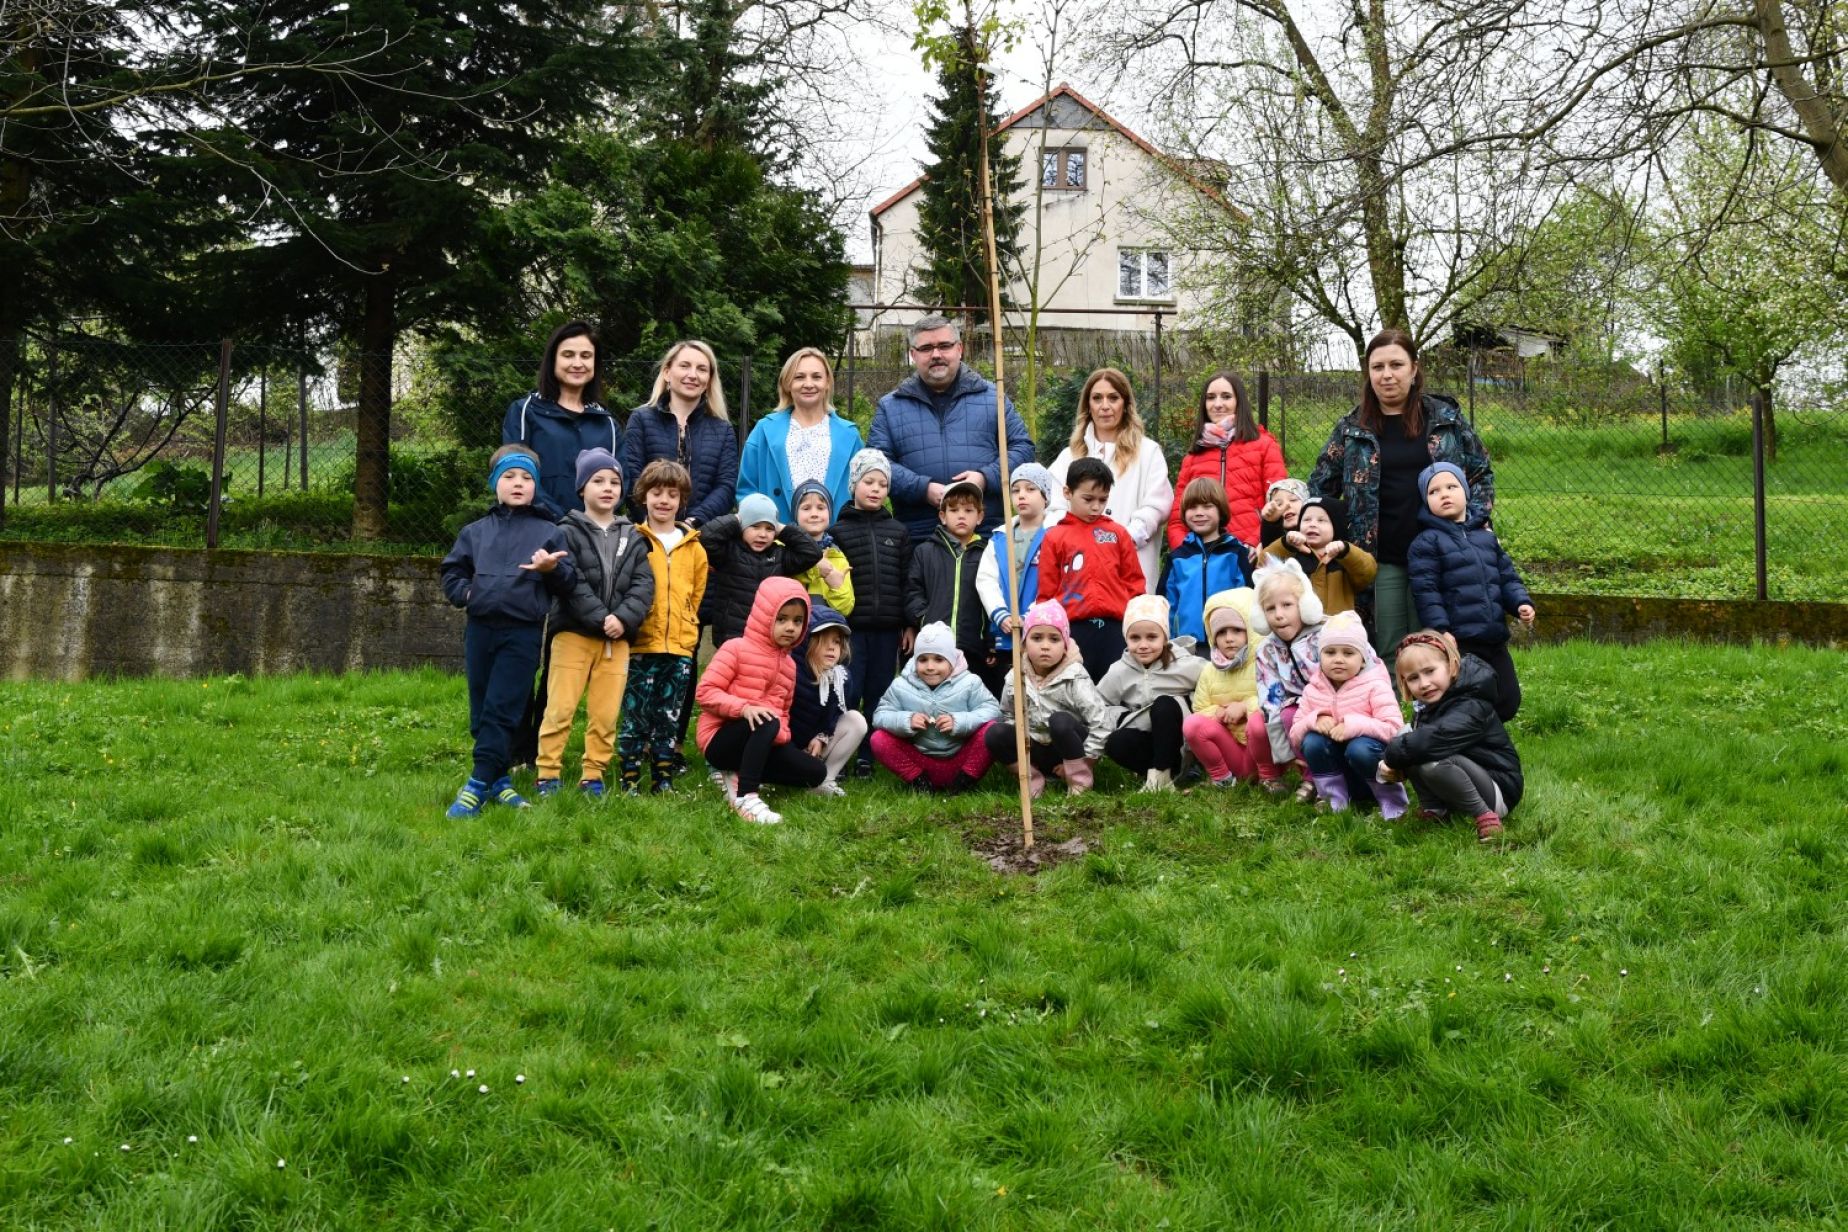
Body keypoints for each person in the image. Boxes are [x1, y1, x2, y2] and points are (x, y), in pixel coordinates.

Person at [1308, 329, 1494, 667]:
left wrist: (1473, 524)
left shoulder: (1446, 421)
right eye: (1377, 367)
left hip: (1443, 553)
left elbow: (1480, 475)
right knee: (1388, 651)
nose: (1387, 374)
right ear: (1368, 372)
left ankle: (1443, 718)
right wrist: (1323, 534)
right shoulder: (1352, 427)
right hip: (1381, 559)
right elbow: (1321, 486)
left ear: (1414, 369)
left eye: (1396, 364)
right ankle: (1392, 719)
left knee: (1440, 646)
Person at [440, 446, 576, 817]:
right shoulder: (475, 532)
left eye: (527, 477)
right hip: (480, 630)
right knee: (481, 708)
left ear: (536, 486)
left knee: (504, 707)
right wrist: (467, 594)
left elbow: (569, 581)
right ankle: (499, 781)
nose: (518, 484)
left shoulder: (550, 532)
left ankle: (477, 783)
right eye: (509, 476)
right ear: (494, 484)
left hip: (523, 633)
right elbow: (452, 571)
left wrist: (551, 570)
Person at [535, 449, 655, 798]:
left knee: (605, 715)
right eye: (598, 481)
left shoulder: (633, 535)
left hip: (617, 641)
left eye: (615, 482)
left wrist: (624, 619)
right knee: (560, 708)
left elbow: (643, 585)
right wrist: (603, 618)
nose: (607, 488)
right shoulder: (565, 532)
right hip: (573, 634)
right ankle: (547, 773)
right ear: (581, 489)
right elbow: (570, 583)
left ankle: (593, 775)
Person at [869, 314, 1036, 539]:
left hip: (985, 534)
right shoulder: (891, 406)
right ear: (913, 354)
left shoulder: (993, 398)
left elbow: (1023, 449)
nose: (936, 354)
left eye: (944, 346)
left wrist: (984, 478)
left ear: (960, 349)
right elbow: (877, 463)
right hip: (918, 536)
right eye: (926, 348)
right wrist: (922, 489)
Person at [1406, 462, 1535, 720]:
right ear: (1425, 501)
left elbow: (1506, 577)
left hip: (1494, 636)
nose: (1444, 494)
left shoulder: (1486, 537)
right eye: (1434, 491)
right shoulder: (1426, 542)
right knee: (1462, 700)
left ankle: (1480, 735)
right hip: (1459, 641)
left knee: (1507, 699)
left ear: (1465, 492)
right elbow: (1426, 591)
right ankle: (1437, 734)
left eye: (1452, 486)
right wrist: (1441, 630)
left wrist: (1520, 602)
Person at [695, 579, 827, 824]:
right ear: (765, 617)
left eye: (798, 621)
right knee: (767, 719)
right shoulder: (735, 648)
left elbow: (784, 713)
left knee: (816, 772)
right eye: (782, 619)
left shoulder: (789, 665)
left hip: (763, 736)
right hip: (720, 738)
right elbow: (705, 692)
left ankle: (740, 773)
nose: (790, 627)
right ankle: (746, 795)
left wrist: (781, 739)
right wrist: (744, 709)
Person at [1381, 630, 1523, 841]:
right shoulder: (1430, 704)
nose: (1424, 683)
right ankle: (1434, 809)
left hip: (1498, 791)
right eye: (1413, 678)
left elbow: (1434, 740)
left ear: (1451, 664)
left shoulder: (1472, 703)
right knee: (1408, 736)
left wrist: (1391, 756)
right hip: (1466, 776)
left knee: (1423, 753)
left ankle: (1485, 816)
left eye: (1430, 671)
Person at [619, 460, 709, 795]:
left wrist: (688, 623)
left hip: (679, 647)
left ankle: (663, 777)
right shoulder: (633, 540)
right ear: (644, 496)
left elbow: (696, 592)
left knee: (668, 716)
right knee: (635, 714)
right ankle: (629, 775)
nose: (664, 501)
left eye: (672, 494)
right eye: (656, 493)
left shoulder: (694, 546)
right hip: (642, 644)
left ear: (681, 500)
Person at [1047, 368, 1171, 591]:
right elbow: (1054, 511)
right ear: (1088, 405)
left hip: (1130, 571)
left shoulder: (1148, 452)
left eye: (1113, 398)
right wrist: (1081, 543)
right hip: (1078, 577)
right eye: (1097, 398)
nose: (1105, 406)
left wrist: (1120, 542)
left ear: (1125, 404)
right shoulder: (1069, 456)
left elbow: (1156, 507)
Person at [829, 449, 912, 778]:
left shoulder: (898, 531)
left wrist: (907, 622)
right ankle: (842, 753)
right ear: (854, 485)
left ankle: (870, 755)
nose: (875, 489)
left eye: (882, 483)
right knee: (848, 691)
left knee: (880, 691)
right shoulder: (838, 532)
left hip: (888, 629)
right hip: (851, 629)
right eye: (868, 481)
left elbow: (907, 580)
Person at [1290, 611, 1409, 817]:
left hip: (1372, 771)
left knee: (1359, 747)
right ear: (1320, 657)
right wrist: (1314, 720)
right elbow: (1294, 736)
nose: (1338, 659)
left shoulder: (1375, 685)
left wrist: (1353, 726)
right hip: (1340, 773)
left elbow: (1394, 730)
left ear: (1362, 659)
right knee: (1312, 741)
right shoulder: (1313, 688)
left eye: (1348, 653)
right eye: (1330, 652)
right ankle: (1333, 800)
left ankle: (1392, 803)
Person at [1036, 457, 1145, 683]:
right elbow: (1046, 593)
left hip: (1116, 630)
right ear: (1067, 492)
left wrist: (1138, 622)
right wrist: (1047, 631)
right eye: (1088, 499)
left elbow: (1135, 584)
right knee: (1076, 692)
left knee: (1115, 692)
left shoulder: (1118, 534)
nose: (1096, 507)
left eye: (1102, 500)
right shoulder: (1054, 537)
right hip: (1073, 630)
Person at [983, 600, 1107, 798]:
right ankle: (1031, 778)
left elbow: (1101, 723)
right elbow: (1008, 713)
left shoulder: (1075, 676)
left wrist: (1088, 761)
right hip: (1036, 749)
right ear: (1024, 643)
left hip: (1070, 748)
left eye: (1054, 639)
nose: (1045, 646)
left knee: (1060, 721)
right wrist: (1024, 749)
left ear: (1065, 645)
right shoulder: (1016, 676)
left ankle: (1078, 780)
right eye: (1037, 638)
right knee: (995, 733)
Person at [501, 321, 623, 520]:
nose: (577, 363)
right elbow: (517, 473)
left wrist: (585, 524)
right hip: (537, 528)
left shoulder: (607, 425)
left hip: (591, 535)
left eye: (586, 356)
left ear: (595, 363)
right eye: (568, 355)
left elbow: (620, 482)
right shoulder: (524, 412)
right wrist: (562, 522)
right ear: (553, 360)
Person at [736, 347, 865, 522]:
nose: (809, 384)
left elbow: (862, 493)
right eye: (799, 377)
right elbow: (747, 490)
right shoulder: (764, 430)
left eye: (816, 377)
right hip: (777, 538)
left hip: (836, 540)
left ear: (827, 382)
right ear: (788, 384)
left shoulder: (849, 435)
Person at [870, 621, 1002, 792]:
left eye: (939, 659)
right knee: (879, 739)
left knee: (991, 731)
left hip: (961, 759)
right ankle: (920, 783)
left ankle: (964, 783)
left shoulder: (970, 682)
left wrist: (959, 722)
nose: (930, 667)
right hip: (921, 761)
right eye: (923, 660)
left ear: (952, 660)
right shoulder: (901, 685)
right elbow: (880, 716)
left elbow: (993, 711)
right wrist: (906, 721)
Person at [622, 339, 739, 530]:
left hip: (702, 535)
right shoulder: (641, 419)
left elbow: (726, 486)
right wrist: (653, 523)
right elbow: (631, 475)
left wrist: (692, 523)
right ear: (667, 372)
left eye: (702, 369)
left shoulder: (722, 429)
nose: (692, 375)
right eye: (684, 366)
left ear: (709, 380)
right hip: (647, 534)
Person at [1167, 370, 1286, 551]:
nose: (1218, 404)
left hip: (1252, 553)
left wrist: (1253, 543)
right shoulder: (1193, 457)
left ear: (1239, 402)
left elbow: (1278, 504)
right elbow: (1177, 519)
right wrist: (1187, 552)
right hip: (1203, 556)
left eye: (1226, 397)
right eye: (1211, 397)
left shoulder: (1264, 446)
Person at [1097, 594, 1205, 793]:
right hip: (1147, 741)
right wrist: (1122, 716)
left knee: (1164, 704)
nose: (1143, 645)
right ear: (1126, 638)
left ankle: (1163, 774)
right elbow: (1097, 705)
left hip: (1180, 745)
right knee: (1115, 743)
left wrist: (1192, 704)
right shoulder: (1119, 671)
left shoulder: (1185, 664)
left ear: (1165, 637)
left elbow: (1213, 682)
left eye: (1152, 637)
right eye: (1135, 638)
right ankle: (1157, 777)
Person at [905, 478, 998, 694]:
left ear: (980, 517)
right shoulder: (925, 552)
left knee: (971, 703)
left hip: (974, 647)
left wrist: (990, 640)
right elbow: (912, 591)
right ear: (942, 516)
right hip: (934, 649)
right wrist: (925, 619)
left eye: (969, 510)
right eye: (954, 510)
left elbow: (995, 596)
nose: (962, 515)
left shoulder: (988, 553)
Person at [698, 493, 825, 648]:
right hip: (731, 637)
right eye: (755, 526)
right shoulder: (728, 552)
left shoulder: (779, 556)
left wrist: (782, 528)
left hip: (767, 637)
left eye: (769, 528)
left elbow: (812, 552)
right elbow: (705, 538)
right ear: (741, 527)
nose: (762, 534)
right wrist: (737, 519)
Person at [1251, 557, 1327, 801]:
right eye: (1270, 609)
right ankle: (1312, 776)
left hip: (1337, 703)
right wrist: (1284, 751)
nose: (1279, 615)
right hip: (1296, 713)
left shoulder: (1326, 635)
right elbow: (1269, 698)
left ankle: (1331, 779)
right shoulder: (1266, 651)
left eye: (1287, 605)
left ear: (1304, 605)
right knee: (1287, 714)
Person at [1182, 588, 1263, 788]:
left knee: (1260, 722)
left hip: (1261, 753)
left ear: (1250, 631)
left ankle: (1269, 778)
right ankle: (1222, 778)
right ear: (1212, 637)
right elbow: (1199, 709)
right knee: (1192, 724)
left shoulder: (1264, 664)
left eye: (1237, 630)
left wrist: (1245, 707)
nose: (1229, 638)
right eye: (1221, 632)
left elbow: (1277, 703)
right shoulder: (1210, 670)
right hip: (1231, 751)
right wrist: (1219, 713)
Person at [787, 604, 869, 798]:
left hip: (812, 748)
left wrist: (822, 736)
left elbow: (834, 716)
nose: (832, 647)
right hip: (784, 749)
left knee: (856, 719)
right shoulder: (789, 671)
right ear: (807, 641)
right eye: (824, 641)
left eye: (837, 642)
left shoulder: (840, 678)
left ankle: (824, 781)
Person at [975, 462, 1054, 660]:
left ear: (1045, 496)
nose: (1021, 495)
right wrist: (999, 613)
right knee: (1009, 687)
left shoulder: (1055, 536)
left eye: (1030, 489)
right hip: (1006, 631)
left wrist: (1032, 616)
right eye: (1015, 490)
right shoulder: (1000, 538)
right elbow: (986, 579)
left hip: (1041, 632)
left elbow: (1055, 582)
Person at [1162, 477, 1254, 644]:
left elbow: (1247, 598)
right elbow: (1165, 602)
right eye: (1192, 507)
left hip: (1227, 642)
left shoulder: (1236, 553)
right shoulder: (1178, 558)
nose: (1199, 512)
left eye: (1207, 506)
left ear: (1220, 511)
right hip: (1185, 645)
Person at [1261, 495, 1376, 619]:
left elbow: (1368, 572)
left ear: (1337, 527)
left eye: (1321, 520)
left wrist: (1346, 550)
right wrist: (1286, 544)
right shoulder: (1292, 555)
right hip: (1300, 630)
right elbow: (1263, 564)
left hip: (1337, 630)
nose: (1312, 524)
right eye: (1306, 520)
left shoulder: (1345, 558)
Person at [788, 479, 855, 616]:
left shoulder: (837, 556)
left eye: (820, 508)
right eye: (806, 508)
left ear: (829, 513)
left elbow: (845, 609)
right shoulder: (785, 549)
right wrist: (815, 568)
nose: (814, 513)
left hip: (824, 632)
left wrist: (836, 587)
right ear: (796, 514)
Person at [1257, 477, 1309, 552]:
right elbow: (1271, 550)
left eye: (1293, 500)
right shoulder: (1274, 538)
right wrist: (1271, 523)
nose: (1287, 505)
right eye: (1279, 504)